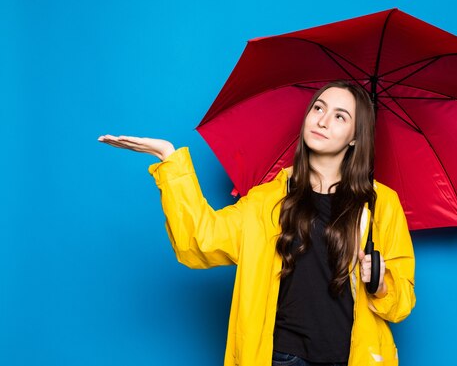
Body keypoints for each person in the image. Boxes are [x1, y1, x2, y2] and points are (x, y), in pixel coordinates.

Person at [98, 81, 416, 366]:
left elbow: (401, 305)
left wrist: (379, 283)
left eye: (339, 116)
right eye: (318, 108)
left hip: (352, 357)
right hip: (281, 357)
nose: (322, 120)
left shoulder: (381, 205)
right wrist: (169, 159)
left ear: (356, 138)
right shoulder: (269, 199)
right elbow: (200, 241)